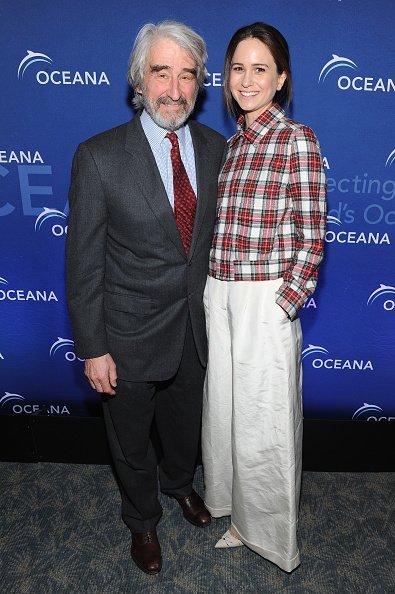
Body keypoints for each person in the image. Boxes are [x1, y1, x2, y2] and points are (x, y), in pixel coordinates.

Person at [66, 21, 226, 575]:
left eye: (187, 76)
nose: (175, 90)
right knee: (131, 442)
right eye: (163, 73)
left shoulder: (216, 148)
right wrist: (93, 347)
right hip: (126, 335)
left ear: (200, 85)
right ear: (140, 79)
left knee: (184, 430)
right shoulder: (99, 157)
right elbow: (83, 262)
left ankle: (179, 486)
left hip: (194, 331)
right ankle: (142, 521)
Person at [202, 22, 326, 572]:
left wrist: (284, 304)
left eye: (260, 69)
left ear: (281, 79)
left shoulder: (297, 138)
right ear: (226, 79)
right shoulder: (229, 146)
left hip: (262, 300)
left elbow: (311, 233)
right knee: (227, 416)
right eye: (237, 68)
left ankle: (277, 540)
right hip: (218, 294)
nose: (246, 80)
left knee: (266, 421)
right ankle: (237, 519)